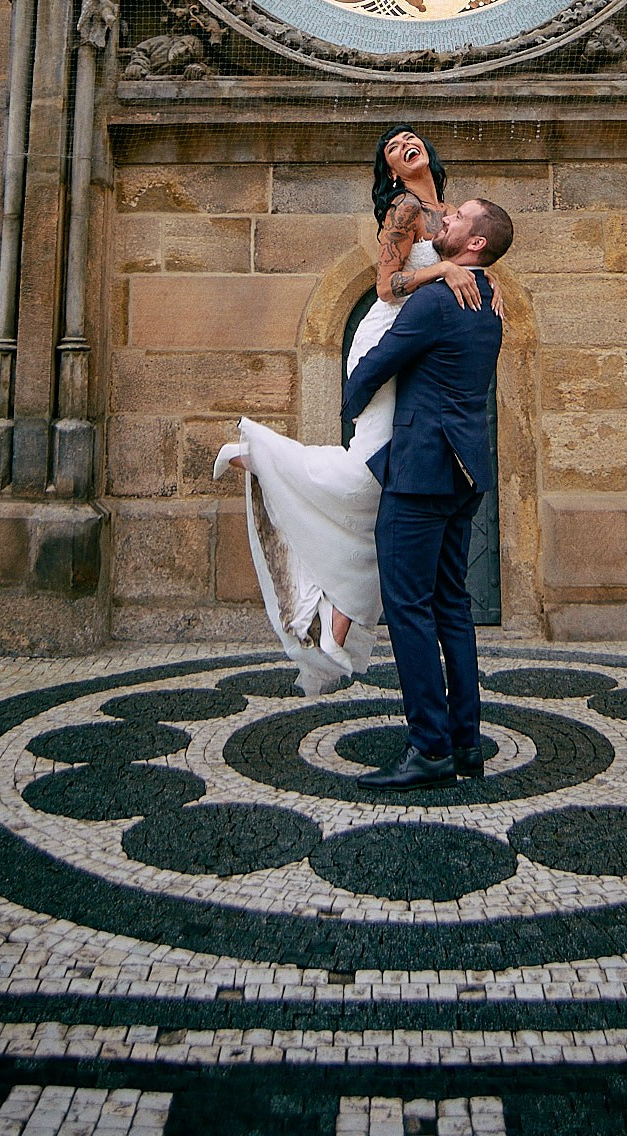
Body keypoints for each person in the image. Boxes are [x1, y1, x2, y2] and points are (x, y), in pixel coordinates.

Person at [214, 129, 491, 694]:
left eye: (412, 138)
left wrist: (483, 286)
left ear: (429, 154)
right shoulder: (404, 206)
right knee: (372, 468)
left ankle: (341, 618)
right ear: (390, 171)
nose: (405, 144)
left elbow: (477, 257)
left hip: (427, 341)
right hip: (391, 337)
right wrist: (442, 272)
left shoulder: (451, 212)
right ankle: (265, 457)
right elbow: (389, 287)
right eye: (393, 147)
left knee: (379, 489)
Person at [340, 193, 514, 786]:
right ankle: (467, 745)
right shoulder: (490, 301)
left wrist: (354, 412)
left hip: (418, 473)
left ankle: (430, 749)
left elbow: (375, 365)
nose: (445, 219)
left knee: (409, 609)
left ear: (475, 244)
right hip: (463, 473)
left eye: (458, 217)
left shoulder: (440, 299)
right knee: (453, 609)